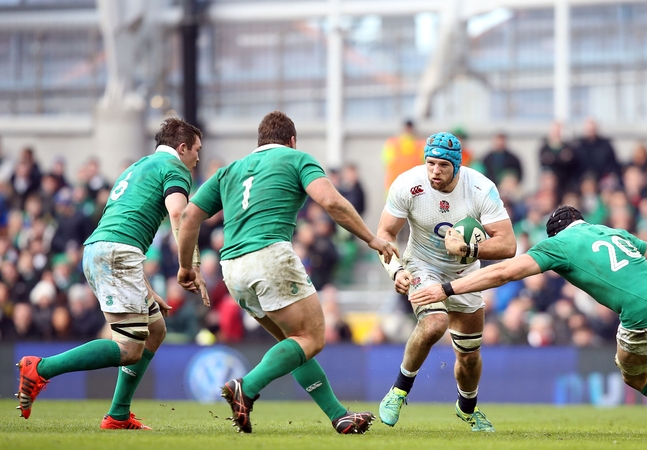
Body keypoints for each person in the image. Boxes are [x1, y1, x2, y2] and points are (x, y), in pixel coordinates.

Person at [411, 205, 647, 437]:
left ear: (554, 233)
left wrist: (448, 288)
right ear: (580, 221)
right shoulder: (609, 231)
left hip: (645, 313)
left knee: (634, 375)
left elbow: (506, 271)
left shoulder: (557, 245)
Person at [175, 110, 398, 434]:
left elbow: (189, 217)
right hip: (269, 259)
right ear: (291, 141)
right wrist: (372, 239)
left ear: (259, 142)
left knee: (295, 345)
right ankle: (246, 387)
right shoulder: (296, 159)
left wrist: (186, 266)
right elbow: (331, 202)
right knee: (311, 338)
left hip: (232, 269)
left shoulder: (229, 171)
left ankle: (338, 415)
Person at [15, 118, 210, 430]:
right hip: (116, 255)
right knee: (129, 349)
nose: (198, 158)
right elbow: (179, 214)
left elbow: (122, 227)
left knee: (155, 329)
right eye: (197, 150)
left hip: (103, 251)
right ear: (182, 148)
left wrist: (146, 288)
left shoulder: (137, 168)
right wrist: (190, 266)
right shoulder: (175, 169)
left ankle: (119, 414)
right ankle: (41, 368)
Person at [376, 132, 516, 432]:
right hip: (421, 265)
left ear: (457, 165)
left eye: (442, 165)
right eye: (430, 164)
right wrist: (396, 270)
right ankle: (398, 391)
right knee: (434, 323)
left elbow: (508, 245)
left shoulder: (480, 188)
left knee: (469, 357)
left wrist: (468, 249)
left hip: (465, 273)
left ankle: (467, 410)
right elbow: (385, 234)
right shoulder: (407, 184)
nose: (434, 171)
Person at [383, 119, 425, 193]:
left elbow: (385, 162)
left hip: (398, 185)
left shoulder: (392, 143)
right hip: (410, 186)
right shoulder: (420, 144)